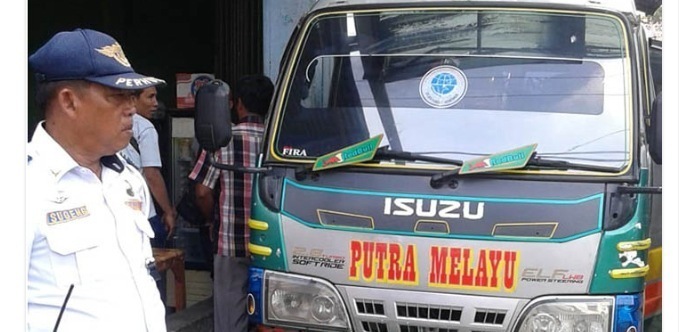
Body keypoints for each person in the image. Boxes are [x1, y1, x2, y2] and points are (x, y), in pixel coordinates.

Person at [27, 28, 167, 331]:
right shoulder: (23, 186)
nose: (131, 109)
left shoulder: (127, 178)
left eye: (132, 96)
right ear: (69, 102)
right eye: (117, 96)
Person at [188, 75, 274, 332]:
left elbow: (202, 192)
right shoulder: (278, 144)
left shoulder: (222, 140)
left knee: (229, 321)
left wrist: (210, 221)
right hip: (272, 245)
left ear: (238, 105)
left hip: (230, 243)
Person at [119, 86, 177, 247]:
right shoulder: (145, 127)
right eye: (150, 97)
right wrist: (168, 211)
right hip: (143, 212)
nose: (155, 103)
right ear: (133, 99)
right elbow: (151, 174)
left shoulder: (107, 122)